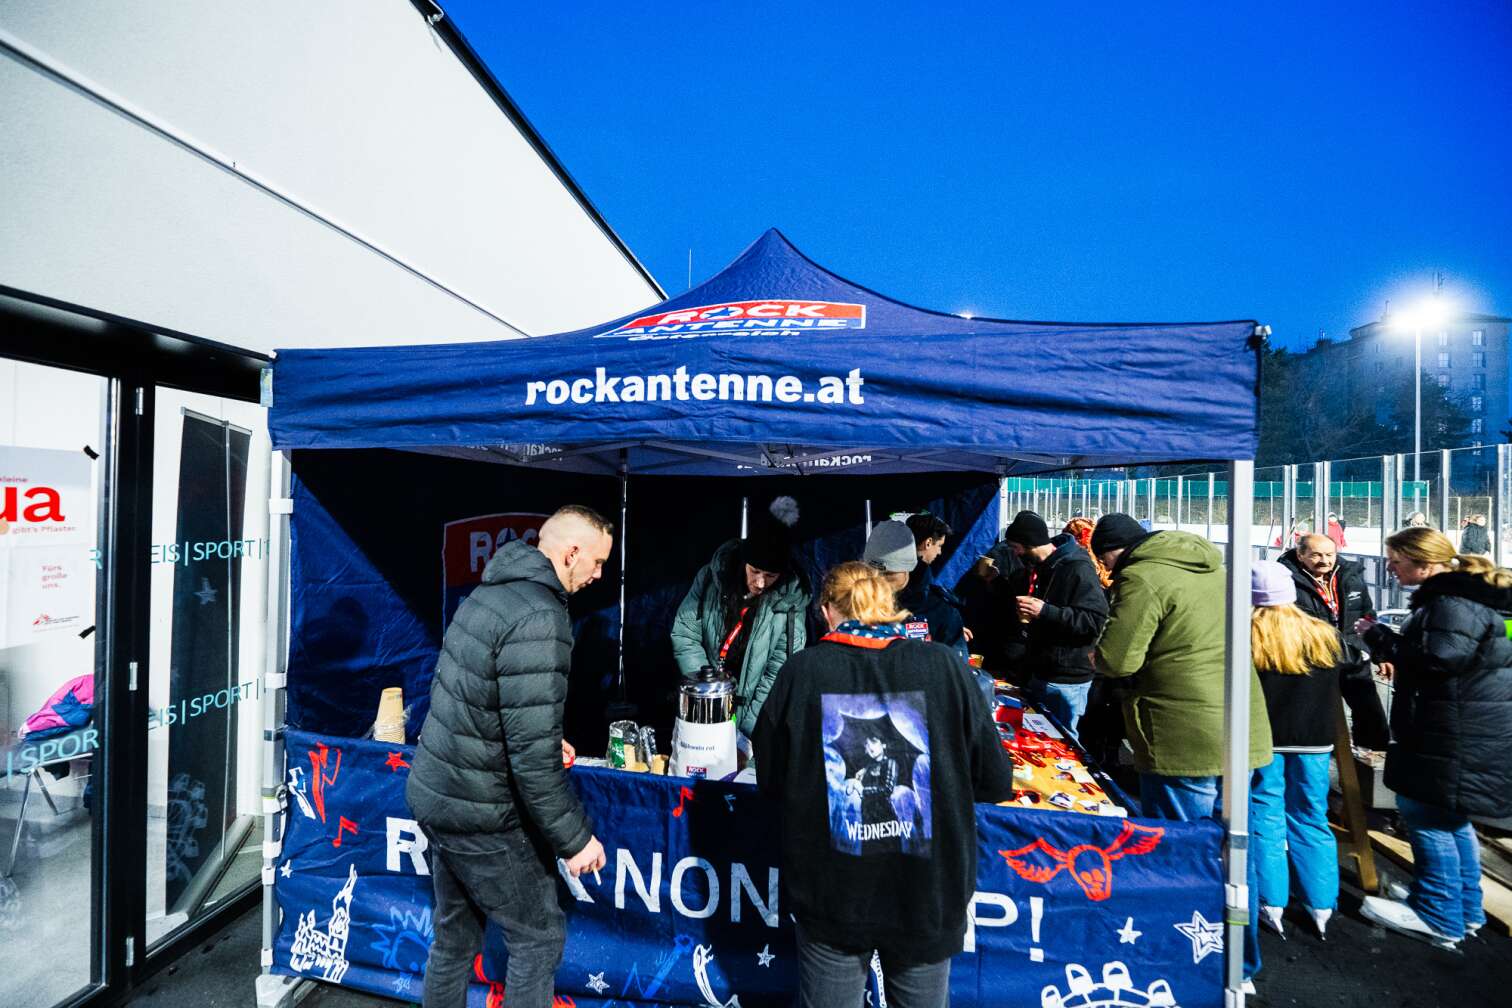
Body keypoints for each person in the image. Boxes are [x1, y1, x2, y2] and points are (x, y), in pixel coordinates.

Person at [753, 562, 1014, 1008]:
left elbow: (771, 777)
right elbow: (994, 778)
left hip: (833, 889)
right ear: (889, 606)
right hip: (927, 889)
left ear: (826, 611)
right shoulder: (942, 665)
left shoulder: (804, 671)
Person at [407, 505, 615, 1008]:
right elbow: (532, 765)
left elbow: (472, 701)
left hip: (440, 796)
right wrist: (576, 839)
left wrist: (544, 738)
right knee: (538, 938)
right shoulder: (541, 616)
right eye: (598, 562)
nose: (599, 575)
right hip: (481, 810)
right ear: (571, 554)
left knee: (455, 938)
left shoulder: (491, 592)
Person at [1356, 527, 1512, 948]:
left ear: (1422, 561)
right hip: (1463, 730)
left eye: (1395, 560)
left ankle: (1439, 914)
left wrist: (1380, 638)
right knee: (1450, 818)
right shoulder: (1464, 597)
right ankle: (1463, 908)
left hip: (1451, 733)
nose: (1389, 568)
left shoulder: (1450, 603)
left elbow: (1440, 661)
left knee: (1427, 818)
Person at [1091, 513, 1272, 820]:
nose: (1105, 568)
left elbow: (1117, 660)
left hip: (1183, 734)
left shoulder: (1141, 577)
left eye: (1102, 559)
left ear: (1113, 550)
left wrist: (1096, 657)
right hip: (1241, 722)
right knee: (1233, 848)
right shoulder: (1213, 568)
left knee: (1180, 846)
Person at [1248, 561, 1348, 944]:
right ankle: (1321, 902)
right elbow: (1353, 676)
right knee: (1311, 814)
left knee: (1265, 813)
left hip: (1265, 739)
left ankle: (1270, 900)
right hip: (1314, 741)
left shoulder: (1246, 637)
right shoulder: (1323, 635)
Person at [671, 496, 809, 738]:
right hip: (705, 707)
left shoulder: (790, 603)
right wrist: (707, 693)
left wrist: (747, 735)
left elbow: (779, 671)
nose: (759, 582)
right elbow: (685, 633)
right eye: (754, 571)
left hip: (757, 724)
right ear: (743, 562)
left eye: (770, 576)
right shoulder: (711, 579)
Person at [1000, 511, 1109, 740]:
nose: (1014, 554)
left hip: (1066, 678)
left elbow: (1094, 621)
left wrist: (1045, 611)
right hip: (1042, 670)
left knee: (1062, 741)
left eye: (1015, 547)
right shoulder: (1044, 568)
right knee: (1039, 736)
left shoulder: (1076, 567)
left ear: (1027, 544)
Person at [1277, 534, 1390, 750]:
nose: (1324, 560)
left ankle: (1372, 756)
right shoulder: (1287, 580)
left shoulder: (1350, 576)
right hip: (1314, 658)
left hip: (1353, 654)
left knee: (1368, 708)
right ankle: (1322, 758)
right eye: (1316, 555)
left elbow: (1367, 615)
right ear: (1300, 555)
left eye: (1330, 554)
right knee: (1315, 717)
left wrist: (1379, 653)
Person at [897, 511, 971, 660]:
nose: (940, 552)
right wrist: (948, 624)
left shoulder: (890, 568)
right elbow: (918, 607)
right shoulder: (917, 574)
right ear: (928, 542)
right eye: (939, 545)